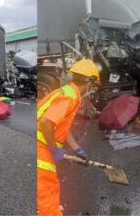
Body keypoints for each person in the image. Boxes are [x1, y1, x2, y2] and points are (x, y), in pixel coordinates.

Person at [37, 59, 100, 215]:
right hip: (41, 149)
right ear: (89, 83)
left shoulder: (68, 91)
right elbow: (46, 122)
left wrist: (76, 149)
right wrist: (53, 149)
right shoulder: (69, 97)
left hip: (41, 145)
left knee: (46, 194)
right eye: (93, 85)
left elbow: (60, 126)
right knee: (48, 196)